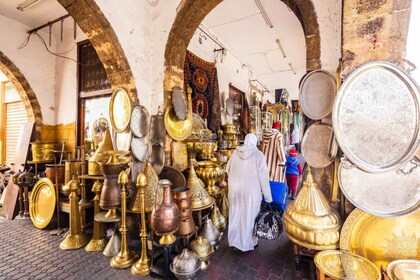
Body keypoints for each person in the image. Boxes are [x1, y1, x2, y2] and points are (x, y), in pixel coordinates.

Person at [226, 133, 273, 252]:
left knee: (235, 215)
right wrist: (268, 198)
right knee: (249, 216)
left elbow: (227, 170)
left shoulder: (235, 153)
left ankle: (234, 241)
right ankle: (248, 243)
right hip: (251, 193)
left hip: (235, 190)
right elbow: (264, 179)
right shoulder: (259, 156)